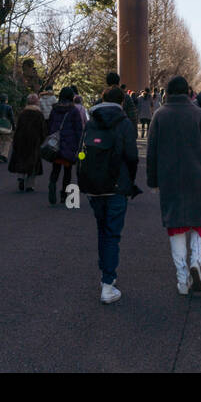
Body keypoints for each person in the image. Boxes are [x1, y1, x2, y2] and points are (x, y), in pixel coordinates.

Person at [147, 75, 201, 296]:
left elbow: (151, 151)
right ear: (188, 92)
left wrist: (153, 181)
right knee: (200, 223)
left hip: (170, 179)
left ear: (168, 92)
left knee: (176, 227)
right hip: (198, 177)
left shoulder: (159, 116)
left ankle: (182, 279)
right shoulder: (198, 114)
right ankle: (196, 262)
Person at [83, 86, 140, 303]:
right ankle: (108, 284)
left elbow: (82, 152)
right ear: (122, 102)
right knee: (112, 233)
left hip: (94, 185)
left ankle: (105, 272)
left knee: (102, 229)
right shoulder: (124, 123)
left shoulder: (91, 121)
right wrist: (130, 181)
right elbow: (133, 157)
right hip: (117, 185)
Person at [46, 87, 85, 206]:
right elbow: (79, 129)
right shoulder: (73, 110)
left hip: (56, 144)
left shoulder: (54, 109)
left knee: (56, 168)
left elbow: (50, 124)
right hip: (69, 144)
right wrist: (80, 144)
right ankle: (64, 194)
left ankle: (52, 184)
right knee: (67, 171)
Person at [9, 93, 46, 191]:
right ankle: (30, 185)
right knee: (33, 162)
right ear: (36, 102)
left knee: (21, 158)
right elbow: (42, 129)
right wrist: (42, 140)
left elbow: (18, 128)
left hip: (21, 139)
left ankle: (20, 177)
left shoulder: (23, 113)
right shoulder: (39, 114)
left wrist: (15, 140)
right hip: (34, 141)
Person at [0, 93, 15, 163]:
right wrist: (13, 127)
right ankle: (3, 155)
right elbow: (11, 118)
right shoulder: (9, 107)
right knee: (7, 141)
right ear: (6, 100)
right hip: (6, 127)